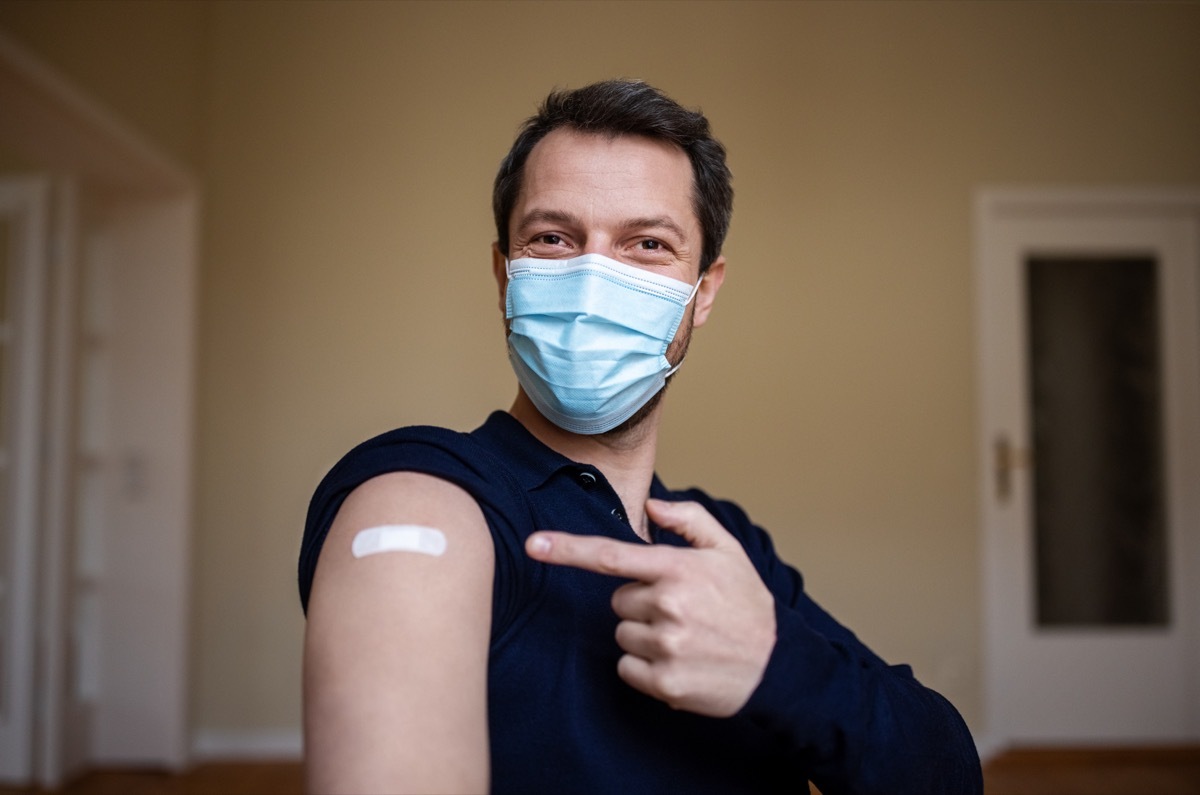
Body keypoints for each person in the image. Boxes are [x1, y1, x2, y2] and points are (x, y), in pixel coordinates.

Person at [299, 79, 982, 795]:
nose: (595, 281)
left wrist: (776, 666)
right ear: (505, 272)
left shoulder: (721, 545)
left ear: (703, 290)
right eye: (554, 238)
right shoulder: (422, 500)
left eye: (647, 244)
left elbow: (944, 775)